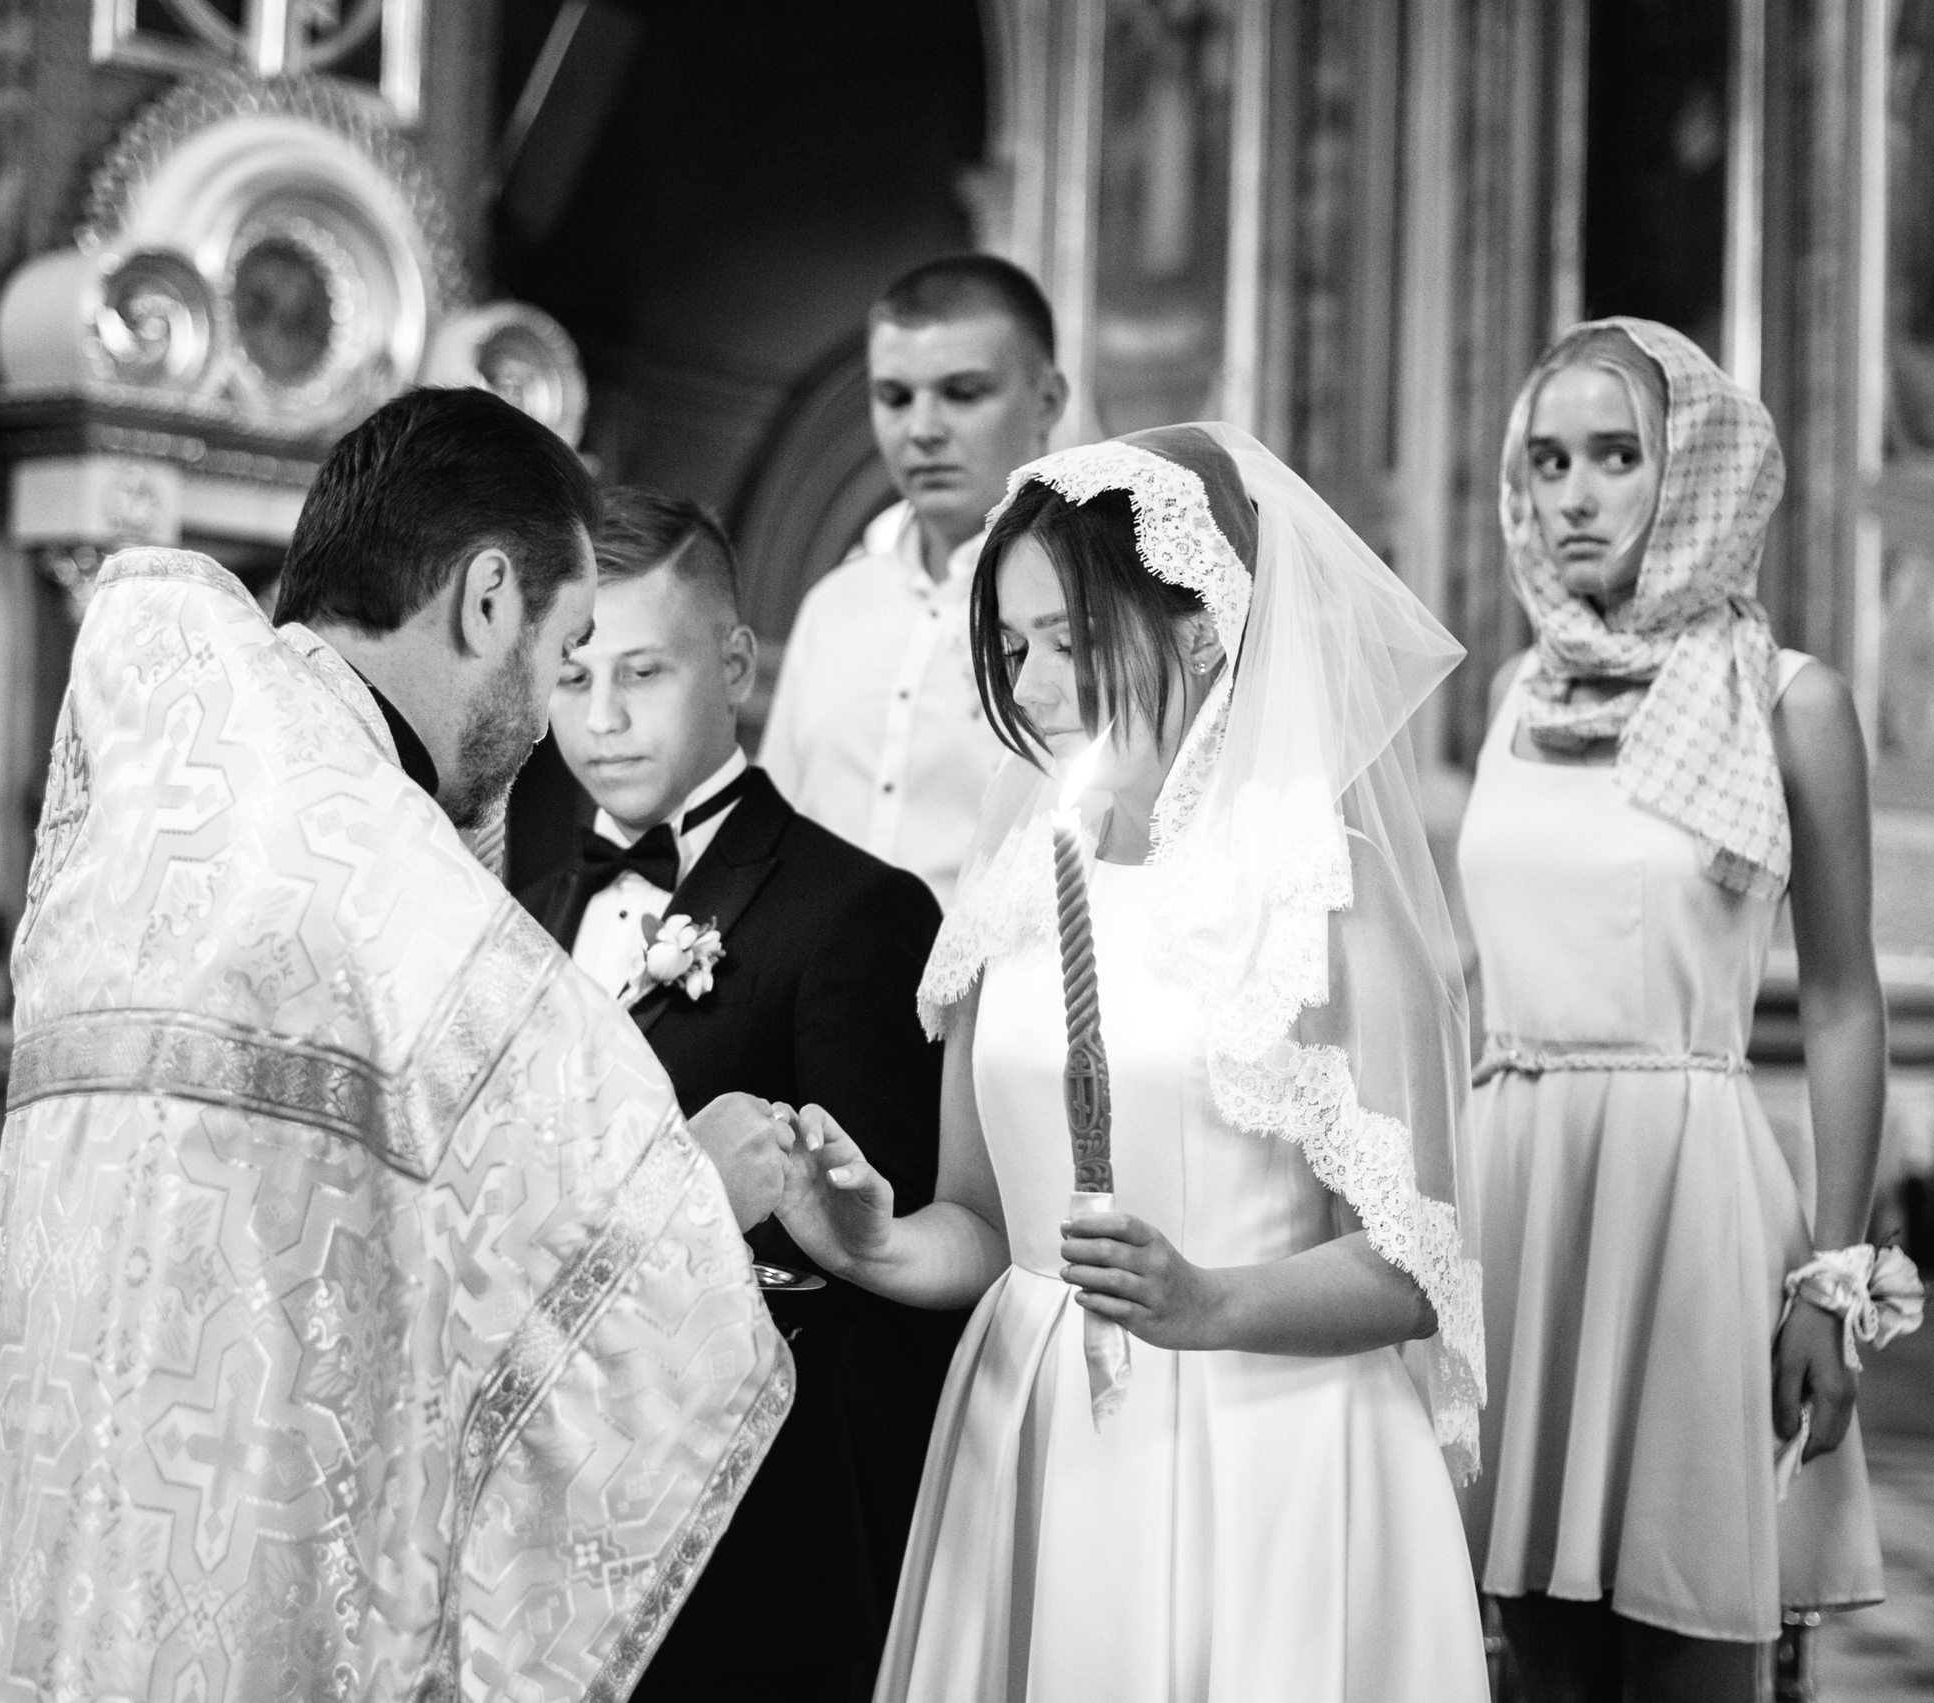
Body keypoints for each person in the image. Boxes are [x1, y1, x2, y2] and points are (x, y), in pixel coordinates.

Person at [0, 390, 808, 1702]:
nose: (550, 717)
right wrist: (699, 1188)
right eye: (566, 651)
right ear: (486, 597)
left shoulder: (174, 802)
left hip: (72, 1551)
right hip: (245, 1594)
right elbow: (555, 1267)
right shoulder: (376, 876)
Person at [779, 423, 1493, 1701]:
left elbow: (1412, 1263)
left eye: (1070, 637)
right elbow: (988, 1222)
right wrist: (870, 1241)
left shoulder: (1319, 886)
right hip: (1036, 1426)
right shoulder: (1012, 887)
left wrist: (1208, 1301)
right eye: (1011, 646)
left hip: (1265, 1444)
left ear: (1202, 623)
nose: (1036, 684)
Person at [1458, 319, 1911, 1701]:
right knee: (1530, 1651)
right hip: (1516, 1196)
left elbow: (1840, 1001)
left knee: (1693, 1632)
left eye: (1616, 455)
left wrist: (1833, 1281)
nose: (1574, 493)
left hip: (1689, 1192)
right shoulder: (1513, 695)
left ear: (1696, 474)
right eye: (1547, 461)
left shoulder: (1788, 701)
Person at [517, 487, 959, 1702]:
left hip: (768, 1521)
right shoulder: (532, 905)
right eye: (571, 674)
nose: (601, 719)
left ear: (735, 662)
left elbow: (884, 1269)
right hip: (569, 1503)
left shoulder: (858, 912)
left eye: (643, 672)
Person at [759, 253, 1068, 906]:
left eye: (962, 393)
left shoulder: (1088, 604)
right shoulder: (835, 605)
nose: (921, 429)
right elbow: (775, 826)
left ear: (1047, 400)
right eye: (894, 397)